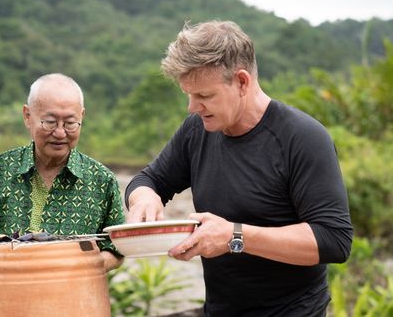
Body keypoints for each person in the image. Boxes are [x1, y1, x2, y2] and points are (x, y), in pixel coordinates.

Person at [125, 21, 353, 316]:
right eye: (189, 95)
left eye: (204, 96)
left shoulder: (303, 138)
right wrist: (144, 196)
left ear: (242, 82)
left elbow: (334, 240)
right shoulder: (198, 129)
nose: (192, 107)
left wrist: (235, 237)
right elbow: (150, 178)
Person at [0, 73, 125, 315]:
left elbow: (115, 250)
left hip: (74, 307)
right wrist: (13, 268)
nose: (61, 133)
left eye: (70, 123)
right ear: (27, 116)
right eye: (50, 122)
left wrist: (78, 267)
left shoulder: (102, 180)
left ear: (82, 117)